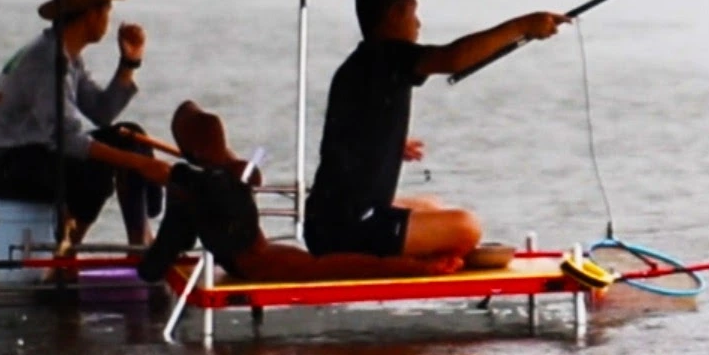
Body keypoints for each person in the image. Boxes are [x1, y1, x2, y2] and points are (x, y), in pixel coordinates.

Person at [303, 0, 567, 260]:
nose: (418, 23)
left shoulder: (360, 64)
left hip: (325, 220)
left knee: (431, 205)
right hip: (346, 231)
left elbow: (350, 130)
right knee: (467, 226)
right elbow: (453, 58)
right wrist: (522, 26)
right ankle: (413, 262)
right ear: (396, 13)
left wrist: (391, 144)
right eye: (413, 12)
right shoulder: (388, 55)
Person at [139, 100, 477, 284]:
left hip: (268, 255)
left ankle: (418, 257)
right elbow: (171, 244)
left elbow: (173, 242)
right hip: (260, 266)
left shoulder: (217, 177)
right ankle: (413, 268)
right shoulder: (204, 184)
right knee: (340, 267)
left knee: (426, 205)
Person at [0, 0, 166, 246]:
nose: (109, 21)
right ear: (92, 15)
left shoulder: (67, 54)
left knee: (129, 136)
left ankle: (141, 243)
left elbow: (101, 112)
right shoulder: (47, 61)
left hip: (34, 150)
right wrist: (138, 163)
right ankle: (67, 252)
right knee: (96, 173)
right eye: (107, 11)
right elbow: (68, 139)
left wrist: (129, 62)